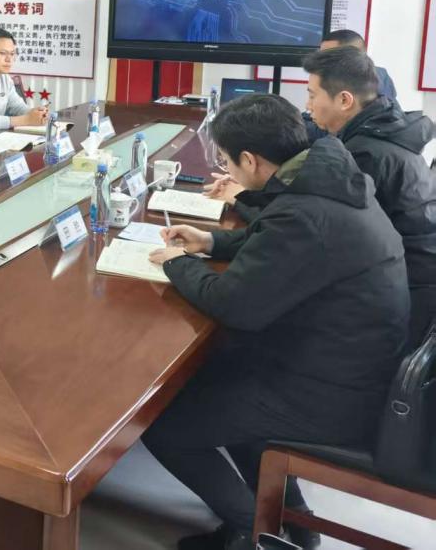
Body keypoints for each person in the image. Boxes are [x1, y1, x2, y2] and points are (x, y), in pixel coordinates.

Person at [143, 94, 409, 550]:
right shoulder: (328, 176)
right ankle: (297, 522)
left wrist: (176, 263)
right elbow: (278, 239)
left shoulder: (306, 211)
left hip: (332, 395)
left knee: (164, 425)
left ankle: (259, 533)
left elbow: (233, 304)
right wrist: (211, 241)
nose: (227, 169)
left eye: (226, 161)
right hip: (353, 367)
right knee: (218, 385)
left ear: (250, 160)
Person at [302, 46, 436, 347]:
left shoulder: (365, 155)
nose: (307, 105)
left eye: (312, 95)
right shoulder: (384, 132)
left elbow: (322, 233)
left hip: (404, 300)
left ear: (344, 100)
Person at [319, 28, 397, 101]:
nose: (321, 60)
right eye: (321, 54)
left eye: (328, 55)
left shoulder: (379, 78)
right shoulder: (323, 75)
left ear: (352, 56)